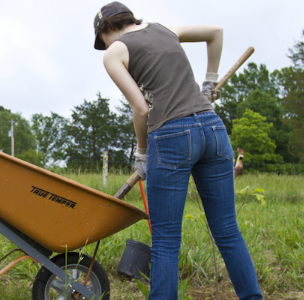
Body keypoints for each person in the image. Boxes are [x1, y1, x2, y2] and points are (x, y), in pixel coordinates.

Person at [93, 2, 262, 299]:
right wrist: (209, 80)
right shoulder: (164, 29)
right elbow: (216, 32)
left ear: (105, 28)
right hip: (212, 128)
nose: (104, 45)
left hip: (172, 135)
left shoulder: (114, 52)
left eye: (101, 39)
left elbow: (141, 108)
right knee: (227, 230)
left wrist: (142, 154)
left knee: (167, 239)